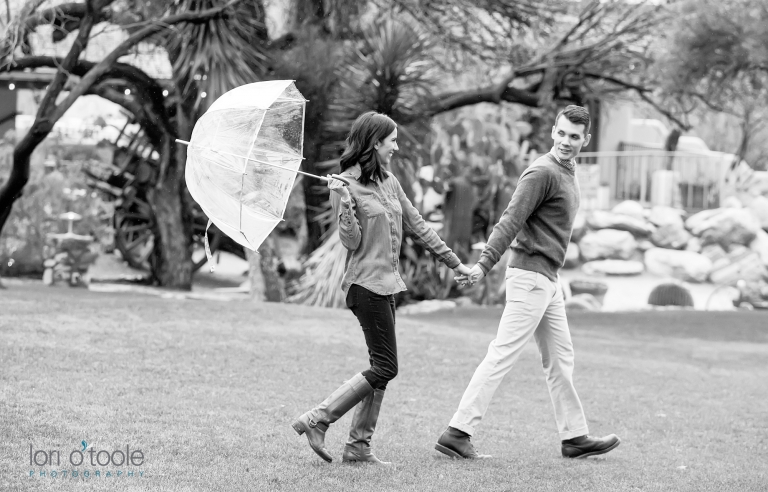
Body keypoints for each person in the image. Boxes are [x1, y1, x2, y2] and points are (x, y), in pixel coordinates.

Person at [435, 105, 621, 460]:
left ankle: (574, 437)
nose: (566, 142)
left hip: (547, 279)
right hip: (530, 277)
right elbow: (510, 220)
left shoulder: (568, 169)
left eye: (574, 137)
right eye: (561, 133)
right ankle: (457, 431)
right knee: (503, 353)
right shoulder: (542, 172)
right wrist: (483, 265)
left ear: (586, 140)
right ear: (553, 131)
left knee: (560, 358)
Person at [292, 111, 472, 465]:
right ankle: (318, 418)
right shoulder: (343, 185)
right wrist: (344, 204)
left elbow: (418, 224)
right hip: (364, 286)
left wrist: (455, 263)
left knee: (380, 365)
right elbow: (351, 242)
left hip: (387, 286)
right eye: (392, 141)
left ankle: (358, 446)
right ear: (376, 143)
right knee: (387, 366)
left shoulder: (389, 181)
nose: (397, 146)